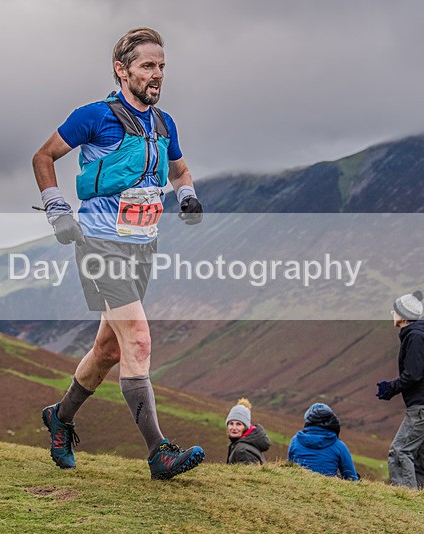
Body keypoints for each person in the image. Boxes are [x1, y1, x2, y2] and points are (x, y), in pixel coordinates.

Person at [33, 27, 204, 480]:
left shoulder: (164, 124)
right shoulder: (94, 116)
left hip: (141, 246)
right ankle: (158, 452)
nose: (157, 74)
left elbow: (180, 171)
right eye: (148, 65)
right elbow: (43, 157)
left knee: (108, 350)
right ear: (122, 70)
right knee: (139, 339)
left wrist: (187, 195)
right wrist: (57, 210)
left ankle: (60, 417)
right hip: (99, 244)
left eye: (162, 66)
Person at [376, 290, 424, 488]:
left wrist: (390, 388)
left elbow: (413, 374)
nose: (392, 313)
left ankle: (404, 496)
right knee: (423, 461)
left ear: (404, 315)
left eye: (395, 311)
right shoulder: (419, 335)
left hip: (423, 406)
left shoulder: (415, 336)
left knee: (400, 452)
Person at [287, 403, 359, 481]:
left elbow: (289, 467)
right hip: (328, 487)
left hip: (297, 484)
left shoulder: (295, 440)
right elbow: (352, 478)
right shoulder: (339, 446)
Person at [226, 398, 271, 465]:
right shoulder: (241, 445)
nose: (234, 428)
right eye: (231, 423)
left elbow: (250, 472)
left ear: (246, 427)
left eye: (238, 424)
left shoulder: (243, 451)